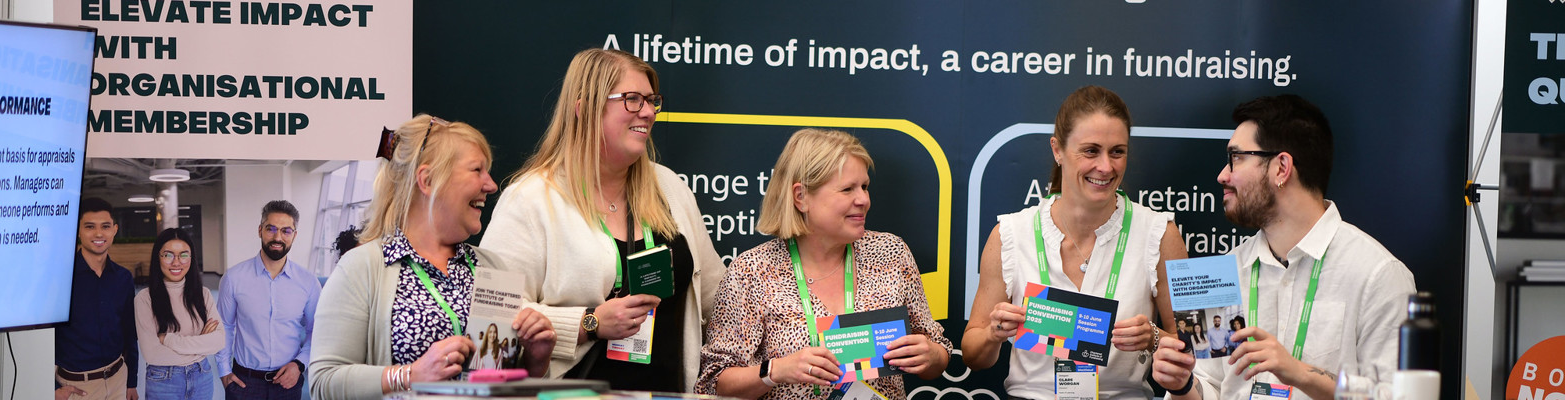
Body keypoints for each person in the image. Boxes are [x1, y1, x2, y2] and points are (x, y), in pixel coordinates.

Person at [480, 48, 724, 392]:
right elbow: (492, 319)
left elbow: (719, 298)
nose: (649, 112)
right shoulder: (532, 199)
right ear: (585, 109)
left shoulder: (670, 187)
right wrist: (590, 323)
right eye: (633, 99)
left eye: (652, 100)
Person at [1149, 94, 1417, 400]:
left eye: (1236, 158)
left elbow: (1401, 395)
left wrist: (1301, 374)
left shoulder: (1379, 275)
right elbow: (1207, 386)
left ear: (1281, 168)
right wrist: (1182, 385)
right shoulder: (1219, 271)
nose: (1222, 175)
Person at [961, 85, 1187, 399]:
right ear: (1057, 150)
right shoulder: (1010, 234)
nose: (1106, 166)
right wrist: (994, 333)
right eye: (1091, 150)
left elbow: (1200, 351)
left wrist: (1153, 337)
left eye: (1117, 151)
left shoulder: (1160, 233)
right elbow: (973, 354)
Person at [309, 115, 556, 399]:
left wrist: (536, 361)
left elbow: (501, 386)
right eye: (477, 170)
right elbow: (323, 384)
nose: (491, 185)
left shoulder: (491, 267)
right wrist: (411, 375)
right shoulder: (363, 267)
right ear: (427, 180)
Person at [695, 128, 952, 400]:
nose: (863, 200)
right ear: (801, 197)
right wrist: (777, 370)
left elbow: (939, 351)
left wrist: (931, 355)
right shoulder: (752, 271)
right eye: (847, 189)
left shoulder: (891, 253)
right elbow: (714, 384)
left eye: (864, 187)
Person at [216, 200, 323, 400]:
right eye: (271, 229)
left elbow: (316, 331)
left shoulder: (308, 283)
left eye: (286, 231)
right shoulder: (234, 278)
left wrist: (300, 364)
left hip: (288, 382)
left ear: (295, 235)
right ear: (260, 230)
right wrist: (223, 372)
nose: (277, 237)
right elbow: (225, 326)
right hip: (243, 383)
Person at [56, 198, 139, 400]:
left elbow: (130, 333)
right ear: (78, 230)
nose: (99, 234)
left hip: (118, 379)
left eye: (105, 226)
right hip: (76, 387)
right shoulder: (60, 278)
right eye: (90, 227)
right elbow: (43, 336)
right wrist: (53, 388)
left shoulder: (124, 278)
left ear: (115, 230)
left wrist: (132, 382)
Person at [134, 228, 225, 400]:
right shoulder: (145, 299)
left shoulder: (203, 294)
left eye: (184, 255)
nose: (177, 262)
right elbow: (152, 354)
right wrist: (202, 345)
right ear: (158, 258)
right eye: (168, 255)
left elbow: (219, 341)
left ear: (191, 258)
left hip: (202, 376)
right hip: (164, 381)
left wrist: (169, 340)